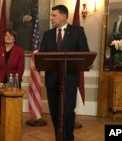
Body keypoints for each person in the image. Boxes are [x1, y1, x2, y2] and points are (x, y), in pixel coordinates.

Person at [39, 5, 90, 141]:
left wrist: (88, 62)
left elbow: (84, 53)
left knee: (67, 113)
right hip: (52, 81)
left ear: (63, 16)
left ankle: (68, 138)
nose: (51, 18)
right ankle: (59, 138)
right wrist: (36, 62)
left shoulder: (77, 31)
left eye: (54, 15)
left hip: (69, 80)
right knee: (55, 113)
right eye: (51, 15)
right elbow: (41, 55)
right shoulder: (48, 34)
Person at [0, 29, 25, 124]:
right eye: (6, 35)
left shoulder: (20, 51)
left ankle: (13, 123)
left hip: (13, 82)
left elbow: (20, 69)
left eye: (11, 35)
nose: (8, 37)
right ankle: (3, 121)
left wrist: (12, 82)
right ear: (4, 38)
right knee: (0, 105)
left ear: (15, 38)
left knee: (13, 106)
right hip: (0, 82)